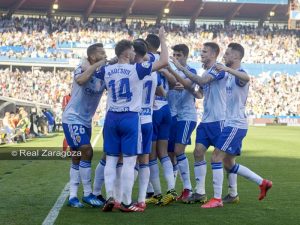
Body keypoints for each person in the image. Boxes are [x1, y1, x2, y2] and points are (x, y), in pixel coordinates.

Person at [96, 26, 168, 212]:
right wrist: (162, 39)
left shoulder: (107, 70)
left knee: (111, 160)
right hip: (131, 117)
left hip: (111, 117)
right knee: (129, 161)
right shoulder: (137, 69)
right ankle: (127, 202)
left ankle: (111, 195)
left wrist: (110, 59)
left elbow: (97, 72)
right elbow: (165, 61)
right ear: (129, 53)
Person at [201, 43, 272, 208]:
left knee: (216, 157)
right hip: (231, 123)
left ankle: (217, 199)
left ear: (236, 57)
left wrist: (227, 70)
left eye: (227, 54)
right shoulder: (230, 76)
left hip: (235, 124)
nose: (224, 56)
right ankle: (261, 183)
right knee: (228, 163)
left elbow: (246, 78)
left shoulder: (239, 74)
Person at [172, 42, 229, 204]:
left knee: (221, 158)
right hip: (205, 121)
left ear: (213, 54)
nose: (201, 53)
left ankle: (223, 194)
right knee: (197, 152)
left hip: (219, 120)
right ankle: (200, 192)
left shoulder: (218, 68)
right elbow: (199, 94)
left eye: (204, 52)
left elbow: (203, 82)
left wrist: (181, 69)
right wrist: (187, 88)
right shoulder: (207, 71)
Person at [62, 43, 107, 208]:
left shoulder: (103, 73)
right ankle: (88, 193)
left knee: (76, 156)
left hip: (86, 121)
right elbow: (81, 81)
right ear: (93, 57)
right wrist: (96, 65)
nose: (105, 55)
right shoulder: (80, 68)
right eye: (101, 53)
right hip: (72, 118)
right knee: (87, 150)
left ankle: (73, 197)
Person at [145, 33, 177, 206]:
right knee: (163, 153)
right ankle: (171, 189)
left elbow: (155, 85)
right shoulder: (163, 60)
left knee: (150, 155)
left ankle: (157, 193)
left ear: (147, 45)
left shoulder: (149, 58)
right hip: (166, 108)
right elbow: (172, 82)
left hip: (153, 110)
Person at [164, 44, 198, 202]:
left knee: (179, 151)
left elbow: (188, 85)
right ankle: (172, 189)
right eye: (174, 55)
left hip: (186, 116)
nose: (176, 58)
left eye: (179, 55)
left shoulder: (191, 71)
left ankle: (188, 188)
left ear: (186, 56)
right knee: (170, 154)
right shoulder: (170, 72)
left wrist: (172, 72)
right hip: (171, 115)